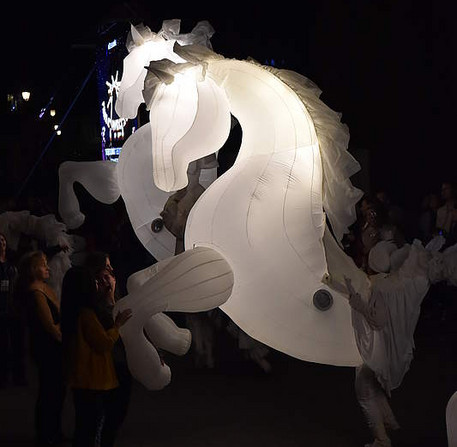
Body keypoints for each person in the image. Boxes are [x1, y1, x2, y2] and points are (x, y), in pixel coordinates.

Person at [61, 264, 132, 447]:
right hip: (93, 379)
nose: (98, 284)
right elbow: (104, 343)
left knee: (86, 426)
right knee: (91, 428)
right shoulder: (87, 314)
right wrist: (117, 326)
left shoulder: (73, 311)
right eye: (94, 281)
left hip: (84, 379)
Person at [17, 250, 66, 446]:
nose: (47, 267)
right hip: (47, 348)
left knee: (56, 391)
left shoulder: (45, 287)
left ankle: (53, 430)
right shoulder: (36, 292)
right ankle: (46, 433)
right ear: (32, 269)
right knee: (50, 391)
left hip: (52, 348)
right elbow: (52, 328)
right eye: (43, 264)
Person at [84, 251, 134, 443]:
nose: (111, 272)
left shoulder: (114, 298)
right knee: (106, 414)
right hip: (106, 365)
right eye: (106, 269)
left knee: (118, 411)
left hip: (121, 363)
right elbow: (106, 335)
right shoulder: (93, 306)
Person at [0, 232, 26, 387]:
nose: (1, 242)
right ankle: (3, 377)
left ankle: (19, 376)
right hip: (1, 309)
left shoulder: (12, 263)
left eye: (3, 239)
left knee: (18, 344)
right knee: (3, 345)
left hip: (14, 308)